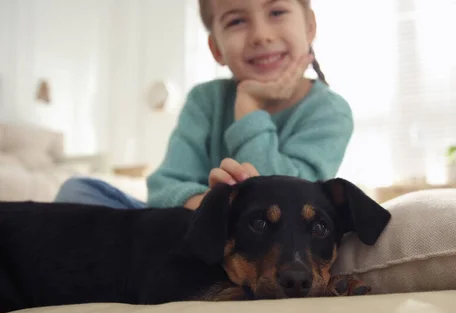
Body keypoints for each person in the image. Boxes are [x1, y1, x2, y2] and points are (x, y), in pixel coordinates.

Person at [54, 0, 354, 210]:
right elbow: (163, 186)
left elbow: (287, 203)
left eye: (276, 12)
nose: (262, 35)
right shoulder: (205, 100)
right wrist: (210, 206)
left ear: (310, 26)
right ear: (216, 49)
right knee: (78, 192)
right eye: (237, 21)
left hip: (267, 243)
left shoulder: (329, 112)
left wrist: (249, 109)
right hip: (191, 223)